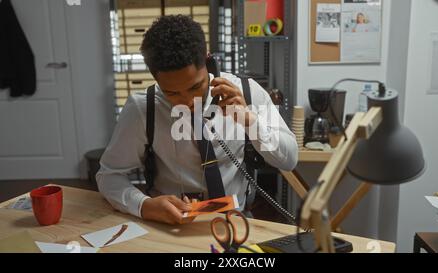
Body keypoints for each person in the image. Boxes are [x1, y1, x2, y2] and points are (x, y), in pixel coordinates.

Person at [96, 15, 298, 225]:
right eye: (172, 93)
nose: (187, 101)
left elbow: (289, 159)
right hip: (171, 225)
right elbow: (108, 176)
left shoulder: (247, 92)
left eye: (195, 87)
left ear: (208, 61)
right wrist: (143, 205)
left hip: (236, 222)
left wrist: (249, 121)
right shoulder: (142, 108)